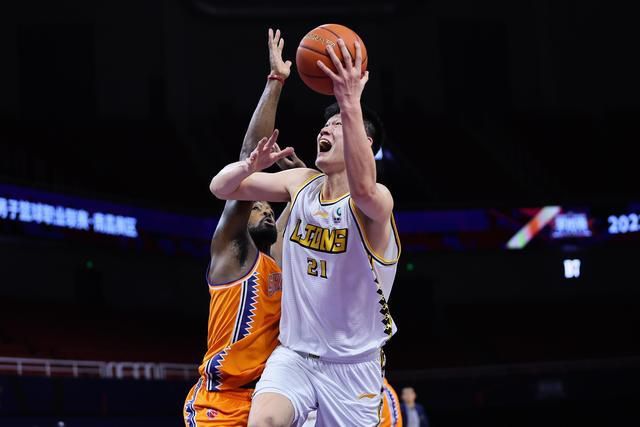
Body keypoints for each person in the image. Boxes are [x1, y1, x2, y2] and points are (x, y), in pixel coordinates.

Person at [210, 32, 401, 426]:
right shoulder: (300, 184)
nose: (324, 130)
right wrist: (250, 166)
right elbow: (221, 188)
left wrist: (349, 100)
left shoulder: (376, 203)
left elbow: (363, 188)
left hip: (352, 367)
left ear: (364, 143)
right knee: (263, 421)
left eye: (338, 125)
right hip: (295, 354)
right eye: (324, 125)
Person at [183, 28, 305, 426]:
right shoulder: (231, 253)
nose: (266, 210)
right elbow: (247, 157)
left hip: (270, 399)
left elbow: (305, 203)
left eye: (268, 207)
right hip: (218, 403)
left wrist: (304, 175)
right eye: (256, 207)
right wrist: (276, 82)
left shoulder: (277, 260)